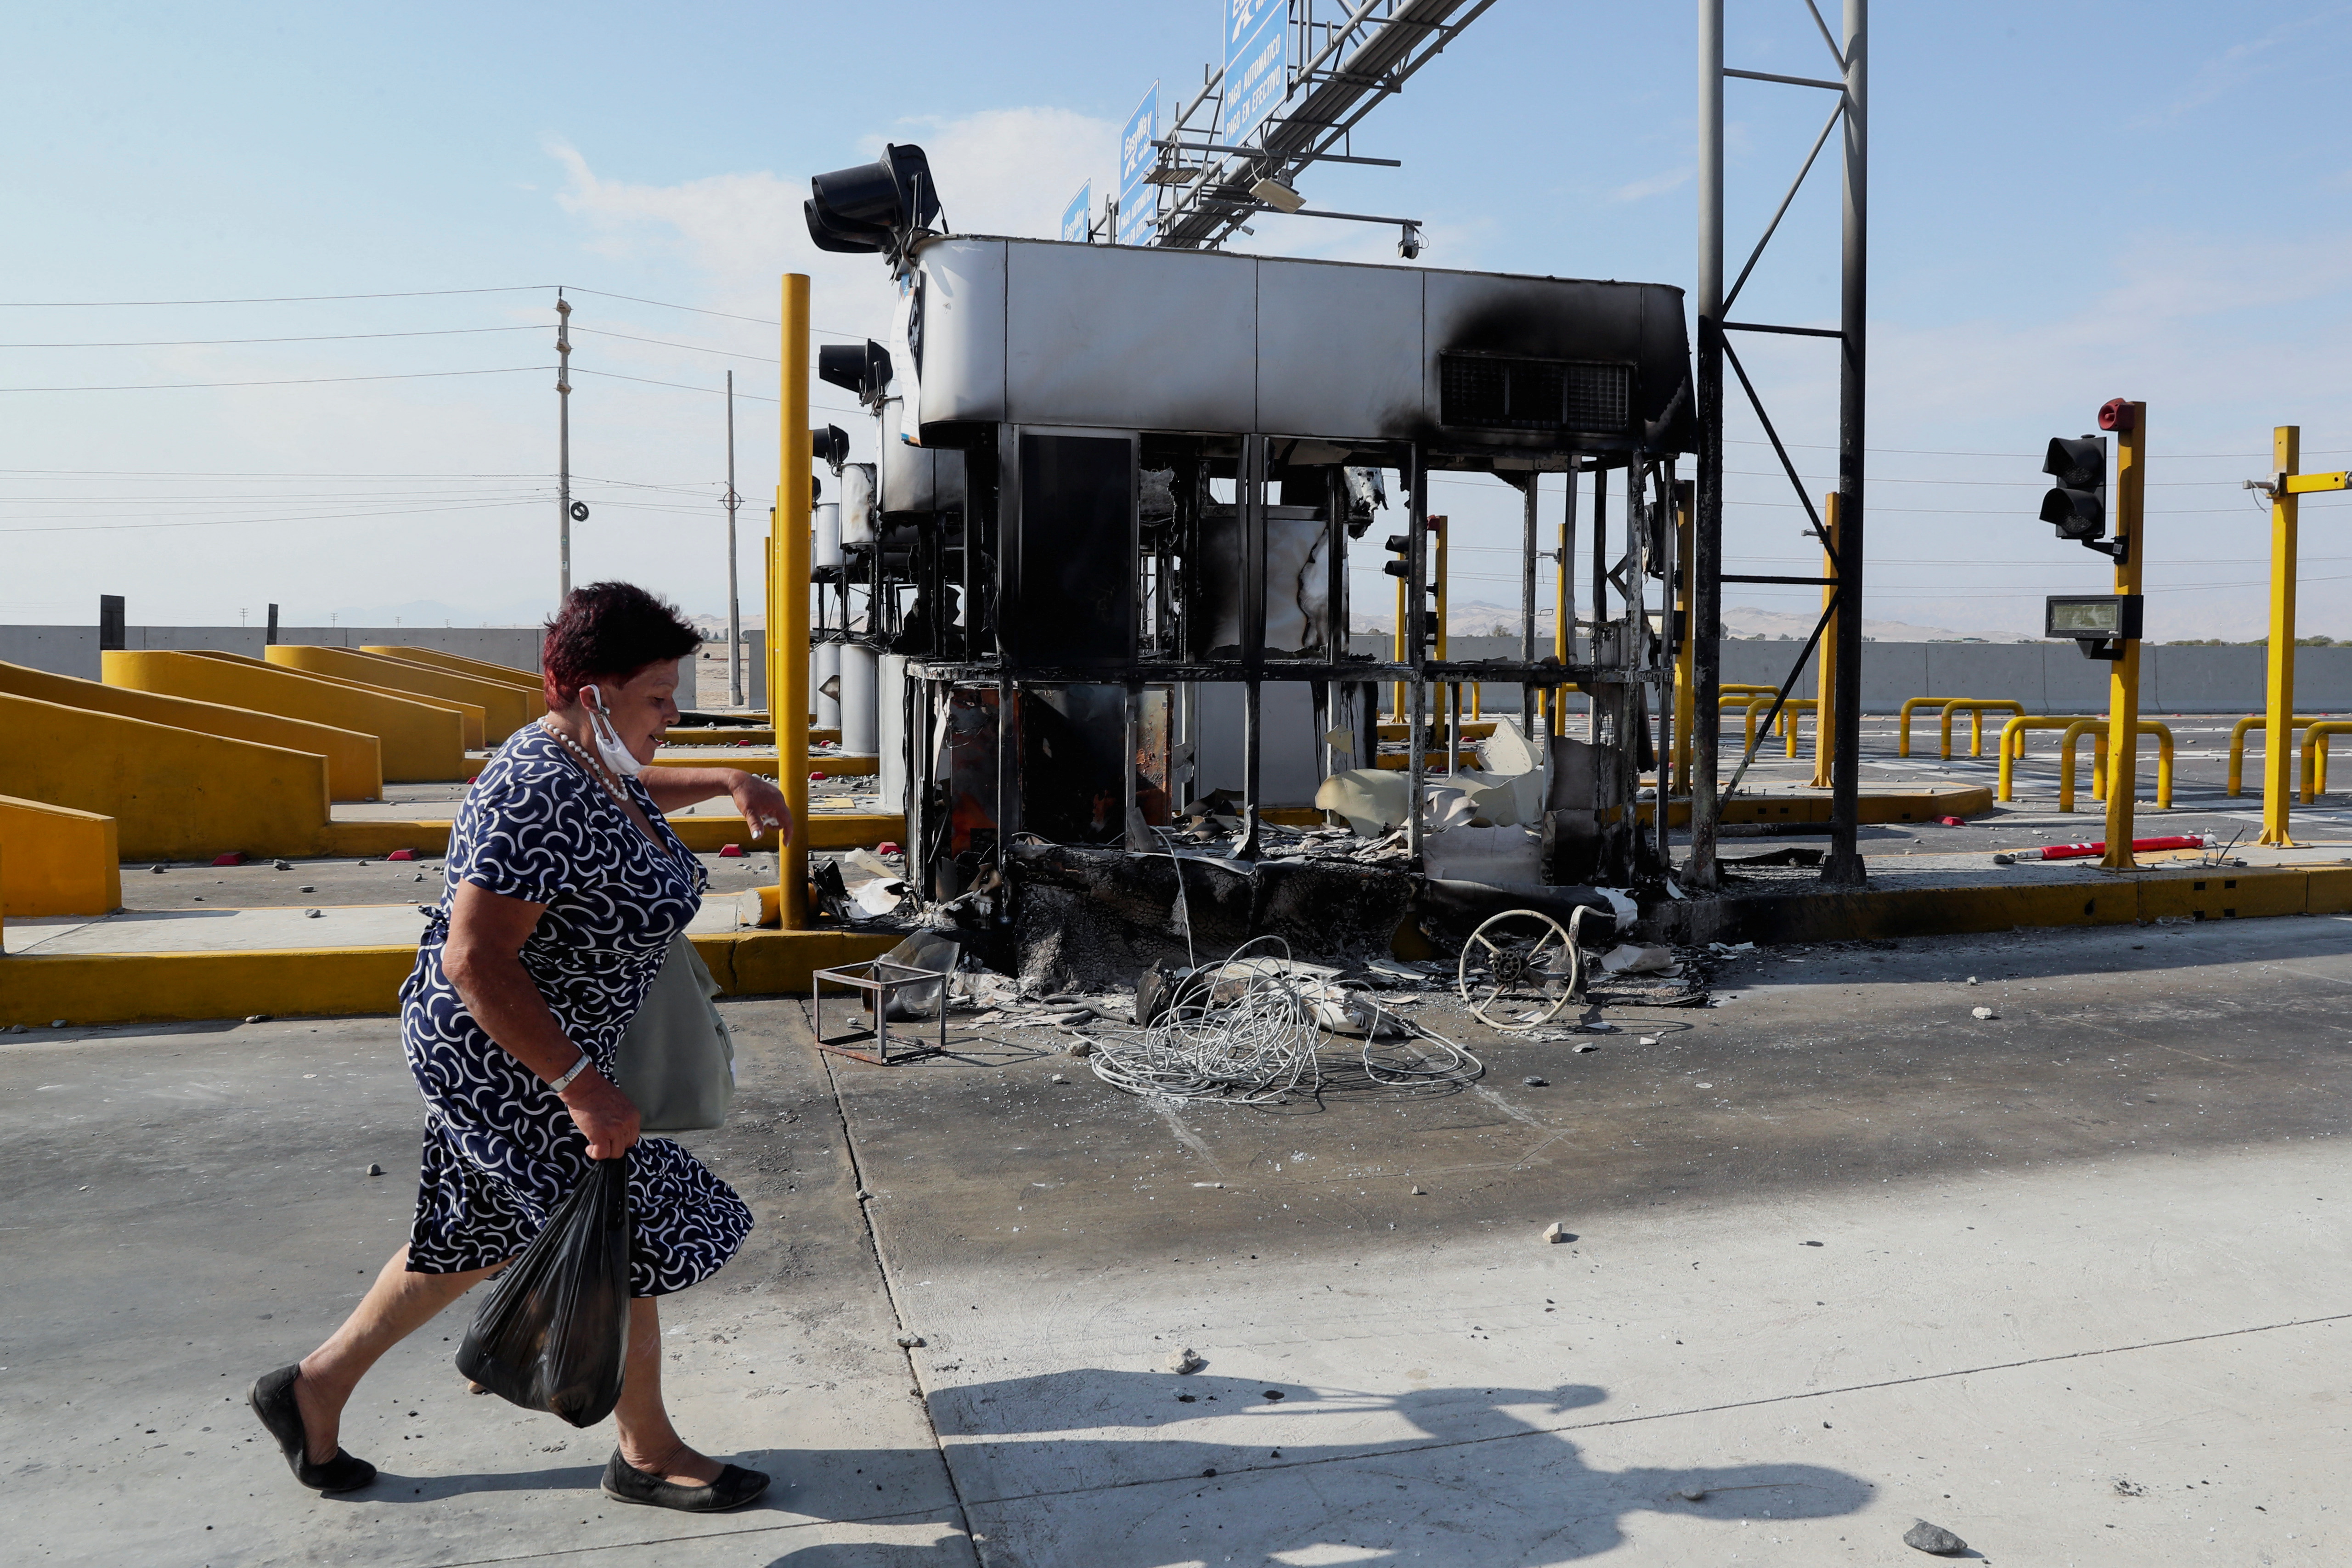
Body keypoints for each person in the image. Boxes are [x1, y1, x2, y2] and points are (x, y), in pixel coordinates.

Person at [248, 582, 793, 1513]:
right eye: (659, 696)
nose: (672, 714)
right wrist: (580, 1086)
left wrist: (726, 781)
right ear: (594, 695)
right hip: (506, 1061)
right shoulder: (535, 789)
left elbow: (623, 801)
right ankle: (647, 1451)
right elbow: (473, 958)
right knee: (626, 1232)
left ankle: (312, 1390)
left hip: (545, 1047)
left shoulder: (587, 760)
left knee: (467, 1238)